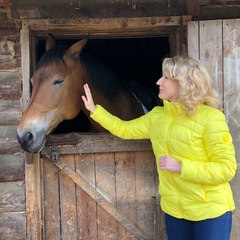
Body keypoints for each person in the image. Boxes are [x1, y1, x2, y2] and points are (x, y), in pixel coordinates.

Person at [82, 56, 237, 240]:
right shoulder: (157, 117)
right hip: (175, 211)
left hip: (210, 211)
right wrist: (95, 110)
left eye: (165, 78)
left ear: (183, 83)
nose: (158, 82)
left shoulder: (211, 118)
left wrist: (181, 166)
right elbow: (124, 129)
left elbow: (226, 169)